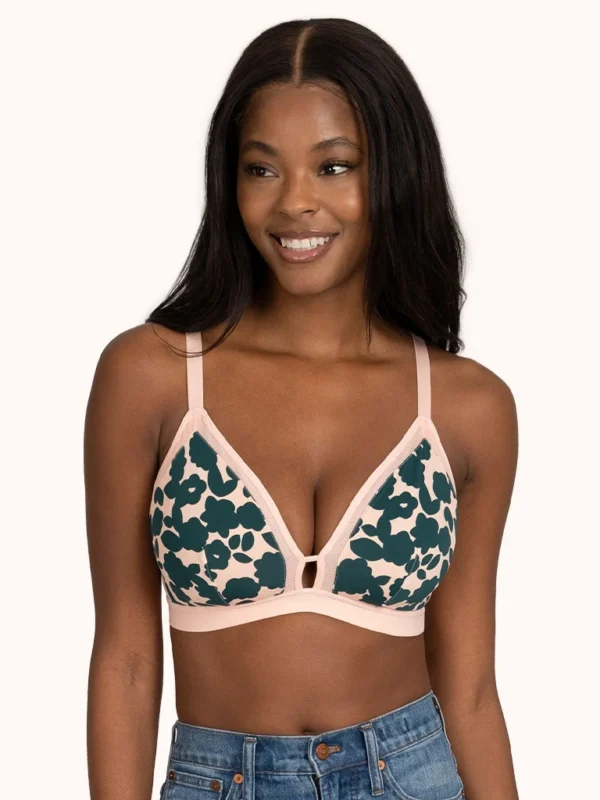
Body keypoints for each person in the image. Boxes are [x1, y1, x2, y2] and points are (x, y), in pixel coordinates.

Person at [84, 17, 519, 800]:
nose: (295, 203)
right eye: (261, 169)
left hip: (412, 775)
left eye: (333, 166)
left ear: (393, 173)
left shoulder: (468, 407)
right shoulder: (151, 378)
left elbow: (472, 690)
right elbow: (126, 661)